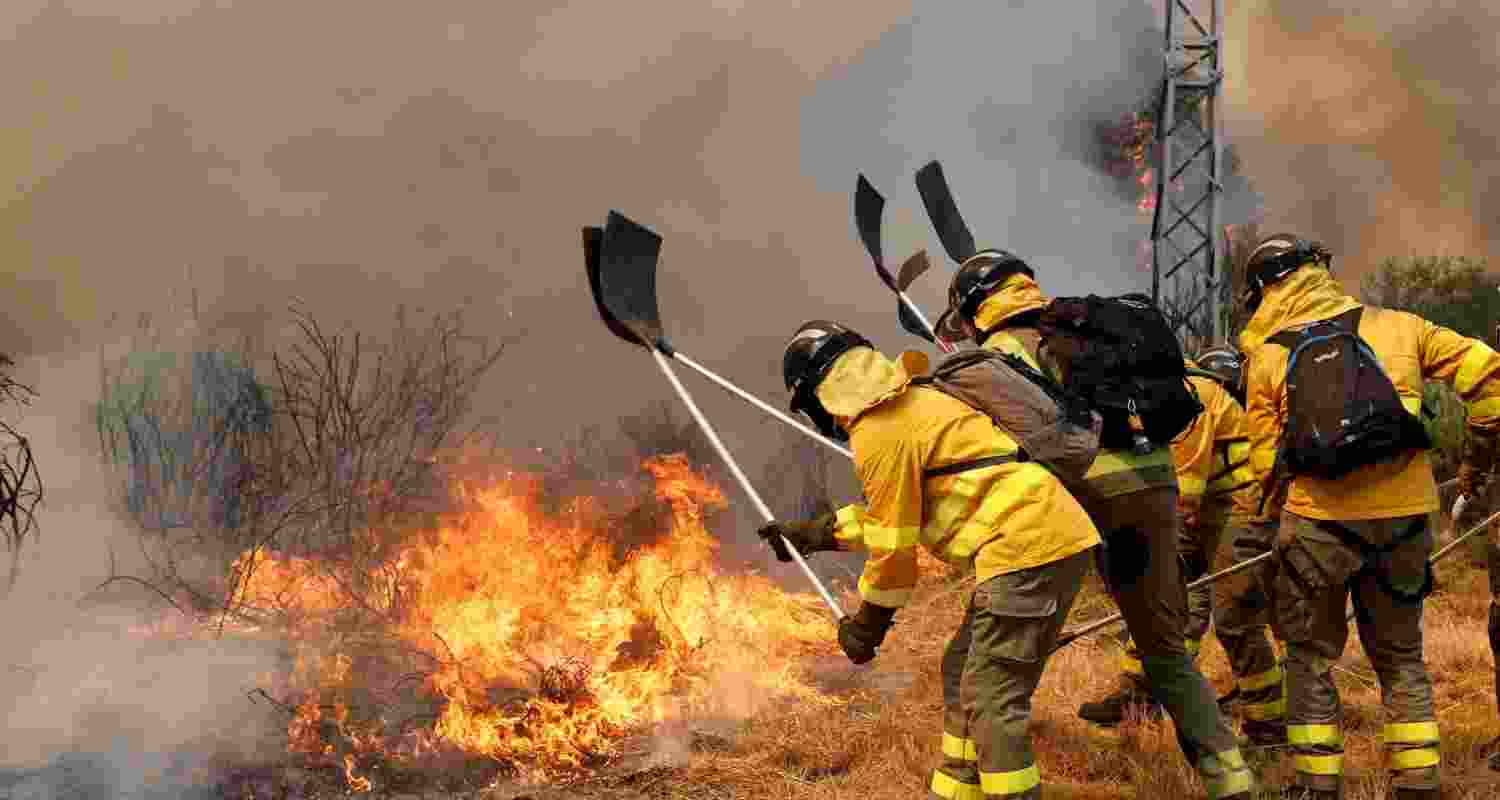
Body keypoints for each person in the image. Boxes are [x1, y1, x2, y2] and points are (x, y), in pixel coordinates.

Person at [932, 252, 1254, 799]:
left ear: (973, 310)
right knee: (1167, 653)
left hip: (1083, 493)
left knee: (982, 660)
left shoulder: (998, 353)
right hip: (1155, 484)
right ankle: (1233, 782)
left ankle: (964, 786)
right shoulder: (1082, 330)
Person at [758, 320, 1101, 800]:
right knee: (962, 669)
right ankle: (958, 790)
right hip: (1037, 540)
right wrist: (817, 534)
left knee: (991, 698)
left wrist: (868, 624)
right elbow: (898, 514)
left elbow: (895, 551)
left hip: (1027, 548)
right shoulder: (910, 404)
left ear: (819, 395)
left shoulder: (878, 430)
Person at [1239, 232, 1500, 800]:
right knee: (1402, 655)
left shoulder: (1267, 356)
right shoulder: (1403, 327)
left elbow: (1264, 468)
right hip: (1405, 518)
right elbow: (1491, 378)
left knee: (1309, 659)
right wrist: (1480, 455)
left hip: (1317, 525)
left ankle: (1317, 782)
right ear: (1320, 272)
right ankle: (1419, 779)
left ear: (1264, 292)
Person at [1175, 346, 1286, 745]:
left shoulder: (1195, 395)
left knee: (1236, 620)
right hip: (1222, 513)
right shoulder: (1187, 391)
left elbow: (1186, 486)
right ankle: (1150, 692)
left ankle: (1268, 726)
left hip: (1242, 514)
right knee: (1179, 602)